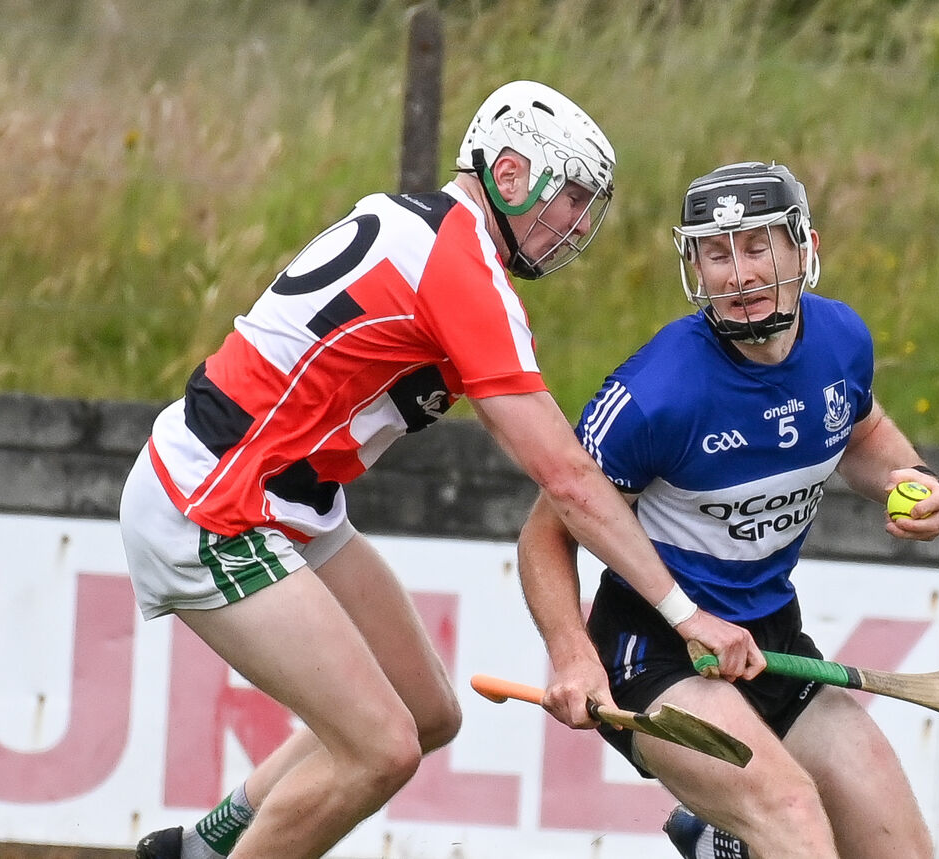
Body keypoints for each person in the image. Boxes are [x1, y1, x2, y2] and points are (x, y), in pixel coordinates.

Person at [119, 82, 767, 859]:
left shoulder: (428, 228)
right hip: (213, 503)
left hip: (287, 500)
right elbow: (565, 476)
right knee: (380, 748)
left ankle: (202, 844)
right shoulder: (460, 270)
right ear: (512, 172)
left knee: (426, 712)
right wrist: (683, 612)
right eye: (569, 198)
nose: (576, 224)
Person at [516, 161, 939, 859]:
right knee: (793, 817)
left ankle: (721, 838)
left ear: (803, 247)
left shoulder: (840, 340)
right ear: (694, 265)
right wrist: (572, 656)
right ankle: (739, 838)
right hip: (654, 653)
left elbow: (862, 430)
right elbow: (545, 533)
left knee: (899, 847)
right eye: (716, 253)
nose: (738, 274)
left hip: (771, 645)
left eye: (757, 247)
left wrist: (914, 478)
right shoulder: (656, 393)